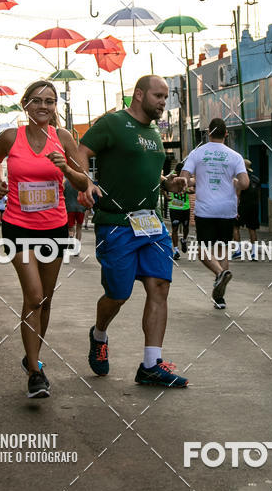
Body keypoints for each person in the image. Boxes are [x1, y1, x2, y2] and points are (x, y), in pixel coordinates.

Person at [74, 75, 189, 388]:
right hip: (116, 224)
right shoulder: (113, 123)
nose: (163, 102)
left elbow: (149, 171)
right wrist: (85, 181)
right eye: (158, 96)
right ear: (138, 95)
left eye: (166, 97)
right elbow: (81, 153)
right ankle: (99, 334)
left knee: (160, 286)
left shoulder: (153, 131)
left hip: (151, 223)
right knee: (118, 294)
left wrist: (167, 182)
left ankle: (151, 364)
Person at [0, 79, 88, 400]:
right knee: (32, 296)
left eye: (50, 101)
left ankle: (33, 357)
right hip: (17, 226)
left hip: (54, 228)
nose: (43, 106)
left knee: (45, 299)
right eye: (37, 100)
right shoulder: (9, 137)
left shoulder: (64, 138)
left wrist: (66, 169)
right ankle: (34, 371)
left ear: (55, 106)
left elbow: (84, 180)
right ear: (25, 105)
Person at [182, 119, 249, 310]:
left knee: (202, 249)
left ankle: (220, 274)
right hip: (227, 210)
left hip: (205, 210)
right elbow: (244, 183)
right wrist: (234, 183)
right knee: (222, 250)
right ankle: (220, 298)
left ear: (208, 132)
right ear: (226, 133)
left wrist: (186, 184)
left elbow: (184, 176)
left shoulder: (197, 153)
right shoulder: (234, 156)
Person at [163, 161, 193, 261]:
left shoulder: (187, 176)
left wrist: (188, 190)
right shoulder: (171, 176)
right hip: (174, 208)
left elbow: (193, 188)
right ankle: (176, 250)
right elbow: (163, 184)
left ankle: (184, 240)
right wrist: (166, 196)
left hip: (185, 207)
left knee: (185, 227)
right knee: (175, 229)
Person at [236, 159, 261, 244]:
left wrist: (235, 209)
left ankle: (238, 250)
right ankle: (254, 252)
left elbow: (237, 195)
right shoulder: (256, 179)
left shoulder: (241, 180)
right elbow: (258, 195)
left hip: (242, 206)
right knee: (252, 229)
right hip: (254, 206)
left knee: (235, 227)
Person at [64, 177, 85, 256]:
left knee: (71, 227)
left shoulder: (66, 183)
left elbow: (63, 194)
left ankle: (71, 237)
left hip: (70, 208)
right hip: (80, 208)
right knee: (79, 228)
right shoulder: (81, 182)